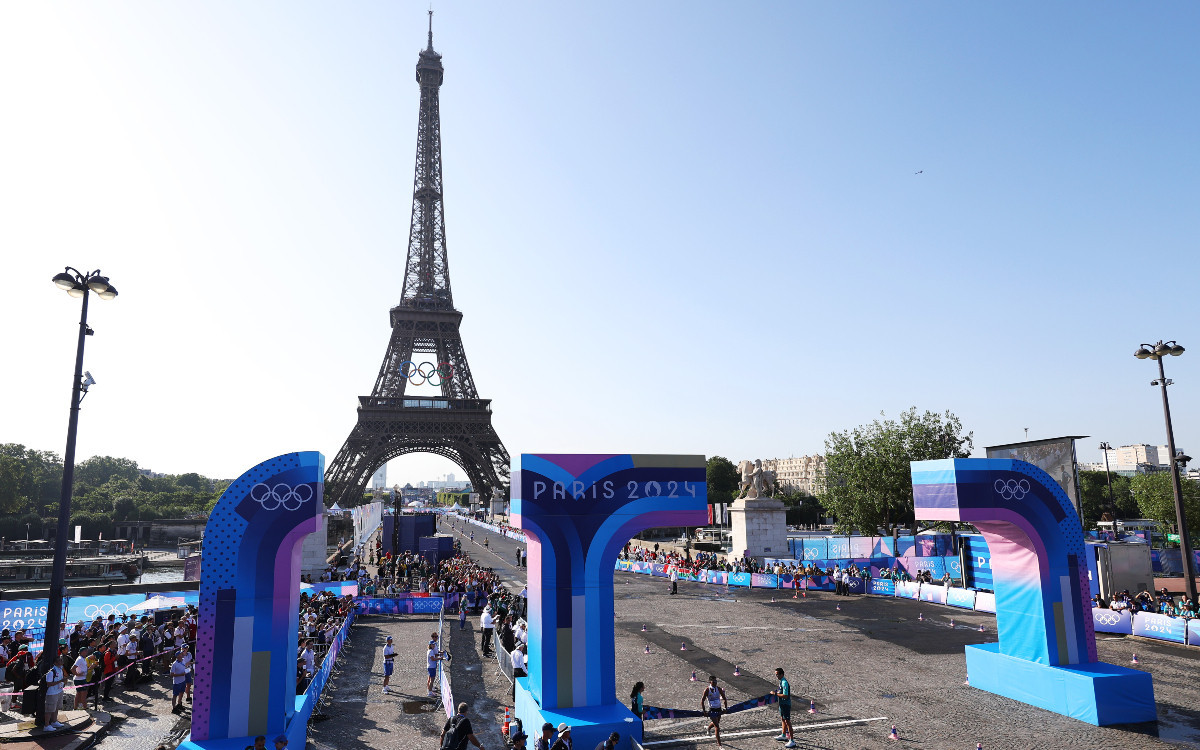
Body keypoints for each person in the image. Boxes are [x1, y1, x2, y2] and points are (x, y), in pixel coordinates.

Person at [700, 675, 728, 746]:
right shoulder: (707, 690)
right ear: (710, 682)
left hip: (719, 709)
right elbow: (702, 701)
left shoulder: (718, 689)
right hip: (712, 710)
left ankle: (708, 728)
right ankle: (720, 746)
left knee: (716, 722)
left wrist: (725, 708)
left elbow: (724, 698)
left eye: (716, 681)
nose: (715, 683)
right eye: (714, 681)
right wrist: (704, 711)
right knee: (717, 727)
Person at [772, 667, 795, 747]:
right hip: (782, 704)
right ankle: (783, 734)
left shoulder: (784, 682)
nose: (776, 676)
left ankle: (792, 740)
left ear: (782, 674)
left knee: (787, 721)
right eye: (776, 674)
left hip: (785, 705)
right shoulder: (781, 681)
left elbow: (785, 695)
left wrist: (775, 694)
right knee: (783, 719)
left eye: (777, 674)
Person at [43, 655, 67, 730]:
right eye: (60, 660)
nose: (62, 662)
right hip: (52, 693)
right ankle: (46, 725)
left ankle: (54, 721)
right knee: (49, 709)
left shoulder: (60, 669)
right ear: (55, 663)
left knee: (56, 708)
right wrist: (60, 681)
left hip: (59, 691)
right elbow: (49, 683)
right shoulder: (51, 672)